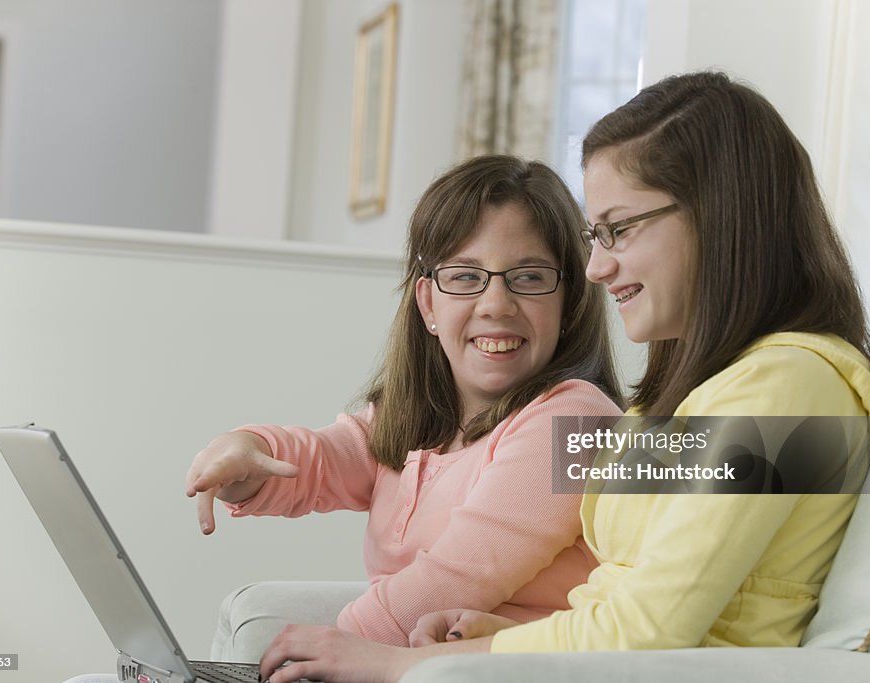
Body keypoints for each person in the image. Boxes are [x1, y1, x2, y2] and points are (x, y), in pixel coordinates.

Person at [255, 71, 870, 683]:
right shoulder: (710, 394)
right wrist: (498, 640)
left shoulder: (787, 388)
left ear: (721, 216)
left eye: (618, 229)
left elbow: (647, 635)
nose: (597, 268)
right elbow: (618, 606)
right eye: (593, 234)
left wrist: (401, 664)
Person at [184, 154, 625, 656]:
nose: (497, 304)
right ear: (428, 304)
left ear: (568, 304)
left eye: (528, 278)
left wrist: (333, 648)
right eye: (464, 277)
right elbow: (327, 456)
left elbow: (458, 576)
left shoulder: (577, 421)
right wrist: (247, 451)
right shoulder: (416, 420)